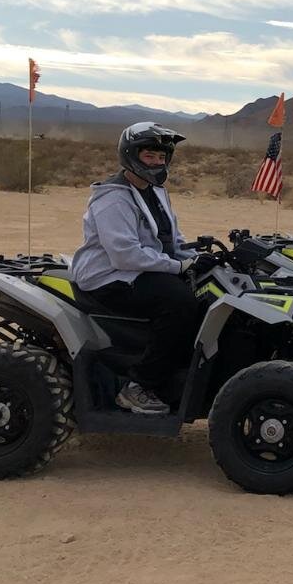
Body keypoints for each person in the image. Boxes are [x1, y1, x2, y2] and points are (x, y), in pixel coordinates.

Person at [72, 122, 207, 415]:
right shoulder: (114, 198)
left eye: (161, 157)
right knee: (179, 302)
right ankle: (139, 385)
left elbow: (171, 239)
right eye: (149, 156)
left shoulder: (156, 192)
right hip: (109, 276)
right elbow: (125, 254)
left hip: (141, 268)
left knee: (205, 291)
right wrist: (177, 266)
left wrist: (197, 256)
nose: (157, 163)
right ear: (131, 155)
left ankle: (178, 373)